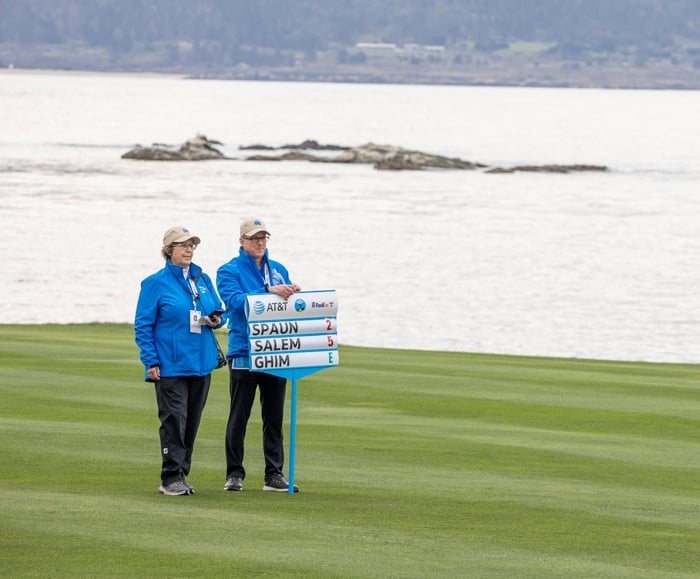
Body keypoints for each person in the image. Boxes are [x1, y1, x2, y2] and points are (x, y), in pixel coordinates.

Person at [135, 225, 225, 496]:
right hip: (170, 364)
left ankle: (181, 473)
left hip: (201, 363)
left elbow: (218, 313)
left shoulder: (202, 278)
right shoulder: (155, 284)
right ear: (168, 250)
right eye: (182, 245)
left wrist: (217, 319)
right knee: (174, 419)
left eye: (191, 245)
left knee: (192, 421)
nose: (188, 249)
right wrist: (150, 360)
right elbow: (143, 325)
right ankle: (170, 476)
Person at [216, 217, 301, 493]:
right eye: (254, 238)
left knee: (274, 416)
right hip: (244, 350)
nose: (260, 242)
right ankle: (234, 473)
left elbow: (288, 308)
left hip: (276, 351)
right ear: (242, 241)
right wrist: (267, 291)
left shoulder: (278, 269)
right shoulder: (228, 270)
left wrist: (295, 296)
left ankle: (274, 474)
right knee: (239, 415)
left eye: (263, 238)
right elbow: (235, 304)